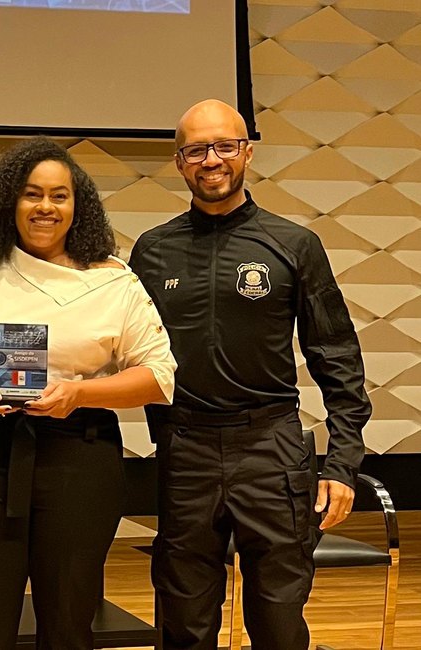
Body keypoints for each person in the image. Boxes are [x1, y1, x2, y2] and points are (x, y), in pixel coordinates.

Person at [130, 99, 370, 650]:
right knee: (183, 621)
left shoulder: (294, 245)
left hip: (272, 448)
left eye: (224, 146)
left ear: (246, 152)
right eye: (196, 150)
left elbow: (336, 356)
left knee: (278, 621)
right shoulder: (153, 250)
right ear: (179, 162)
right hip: (184, 450)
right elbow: (128, 350)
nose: (211, 160)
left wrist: (342, 463)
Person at [0, 137, 176, 649]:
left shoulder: (114, 282)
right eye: (31, 194)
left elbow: (158, 376)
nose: (45, 207)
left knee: (68, 614)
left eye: (59, 196)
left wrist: (79, 394)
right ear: (8, 203)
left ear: (76, 206)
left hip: (80, 457)